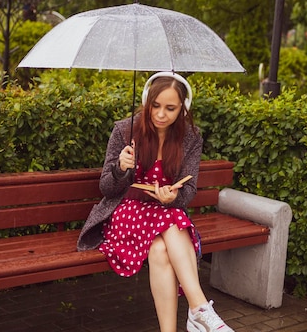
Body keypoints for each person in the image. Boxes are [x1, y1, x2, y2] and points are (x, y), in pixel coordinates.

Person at [77, 72, 234, 332]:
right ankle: (200, 309)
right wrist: (120, 168)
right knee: (172, 219)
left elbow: (189, 187)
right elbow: (106, 188)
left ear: (182, 109)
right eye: (156, 106)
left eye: (170, 108)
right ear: (147, 102)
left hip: (163, 214)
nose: (161, 114)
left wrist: (174, 197)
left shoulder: (190, 138)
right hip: (125, 213)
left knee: (160, 249)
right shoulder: (125, 131)